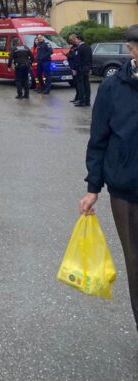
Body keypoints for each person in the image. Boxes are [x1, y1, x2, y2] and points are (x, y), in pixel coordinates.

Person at [79, 25, 138, 331]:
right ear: (132, 49)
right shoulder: (112, 87)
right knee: (136, 264)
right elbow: (99, 139)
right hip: (126, 190)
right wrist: (93, 187)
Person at [69, 31, 92, 107]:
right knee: (87, 84)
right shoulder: (88, 47)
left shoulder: (80, 48)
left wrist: (74, 69)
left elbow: (77, 60)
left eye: (76, 39)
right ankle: (87, 101)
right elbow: (90, 59)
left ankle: (82, 101)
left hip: (80, 68)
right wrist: (90, 68)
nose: (75, 41)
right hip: (87, 68)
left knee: (80, 85)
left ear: (79, 39)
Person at [66, 34, 80, 104]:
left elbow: (74, 56)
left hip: (76, 67)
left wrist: (69, 55)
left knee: (78, 84)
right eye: (70, 40)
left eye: (71, 40)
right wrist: (67, 55)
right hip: (72, 67)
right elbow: (69, 54)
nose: (70, 41)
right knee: (75, 83)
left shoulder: (78, 47)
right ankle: (76, 97)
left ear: (75, 39)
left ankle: (79, 98)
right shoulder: (73, 47)